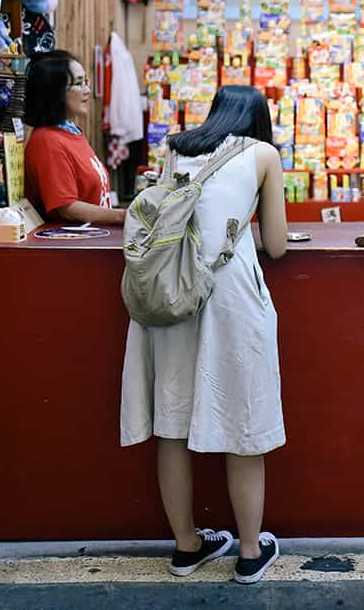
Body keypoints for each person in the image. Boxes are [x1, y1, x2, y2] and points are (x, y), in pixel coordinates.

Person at [120, 85, 289, 585]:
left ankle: (187, 546)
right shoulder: (264, 155)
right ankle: (251, 553)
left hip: (173, 291)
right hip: (229, 294)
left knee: (173, 421)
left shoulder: (177, 147)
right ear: (258, 120)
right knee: (242, 420)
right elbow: (276, 245)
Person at [23, 51, 125, 224]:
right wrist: (123, 216)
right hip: (72, 246)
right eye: (79, 83)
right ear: (54, 92)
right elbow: (67, 208)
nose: (87, 90)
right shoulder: (47, 141)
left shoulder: (72, 131)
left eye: (86, 81)